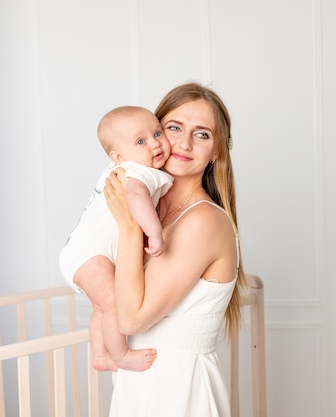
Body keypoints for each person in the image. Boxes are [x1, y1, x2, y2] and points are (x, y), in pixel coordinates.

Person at [102, 82, 246, 417]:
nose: (183, 143)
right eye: (174, 128)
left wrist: (127, 226)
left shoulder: (204, 221)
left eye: (202, 134)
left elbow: (132, 318)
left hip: (179, 389)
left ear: (217, 152)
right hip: (139, 384)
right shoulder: (150, 208)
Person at [59, 105, 173, 372]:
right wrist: (154, 232)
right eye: (141, 141)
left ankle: (100, 355)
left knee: (101, 307)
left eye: (157, 133)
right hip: (90, 255)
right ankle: (120, 356)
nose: (155, 144)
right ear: (119, 155)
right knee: (114, 304)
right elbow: (135, 197)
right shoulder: (138, 170)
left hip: (80, 253)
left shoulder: (121, 166)